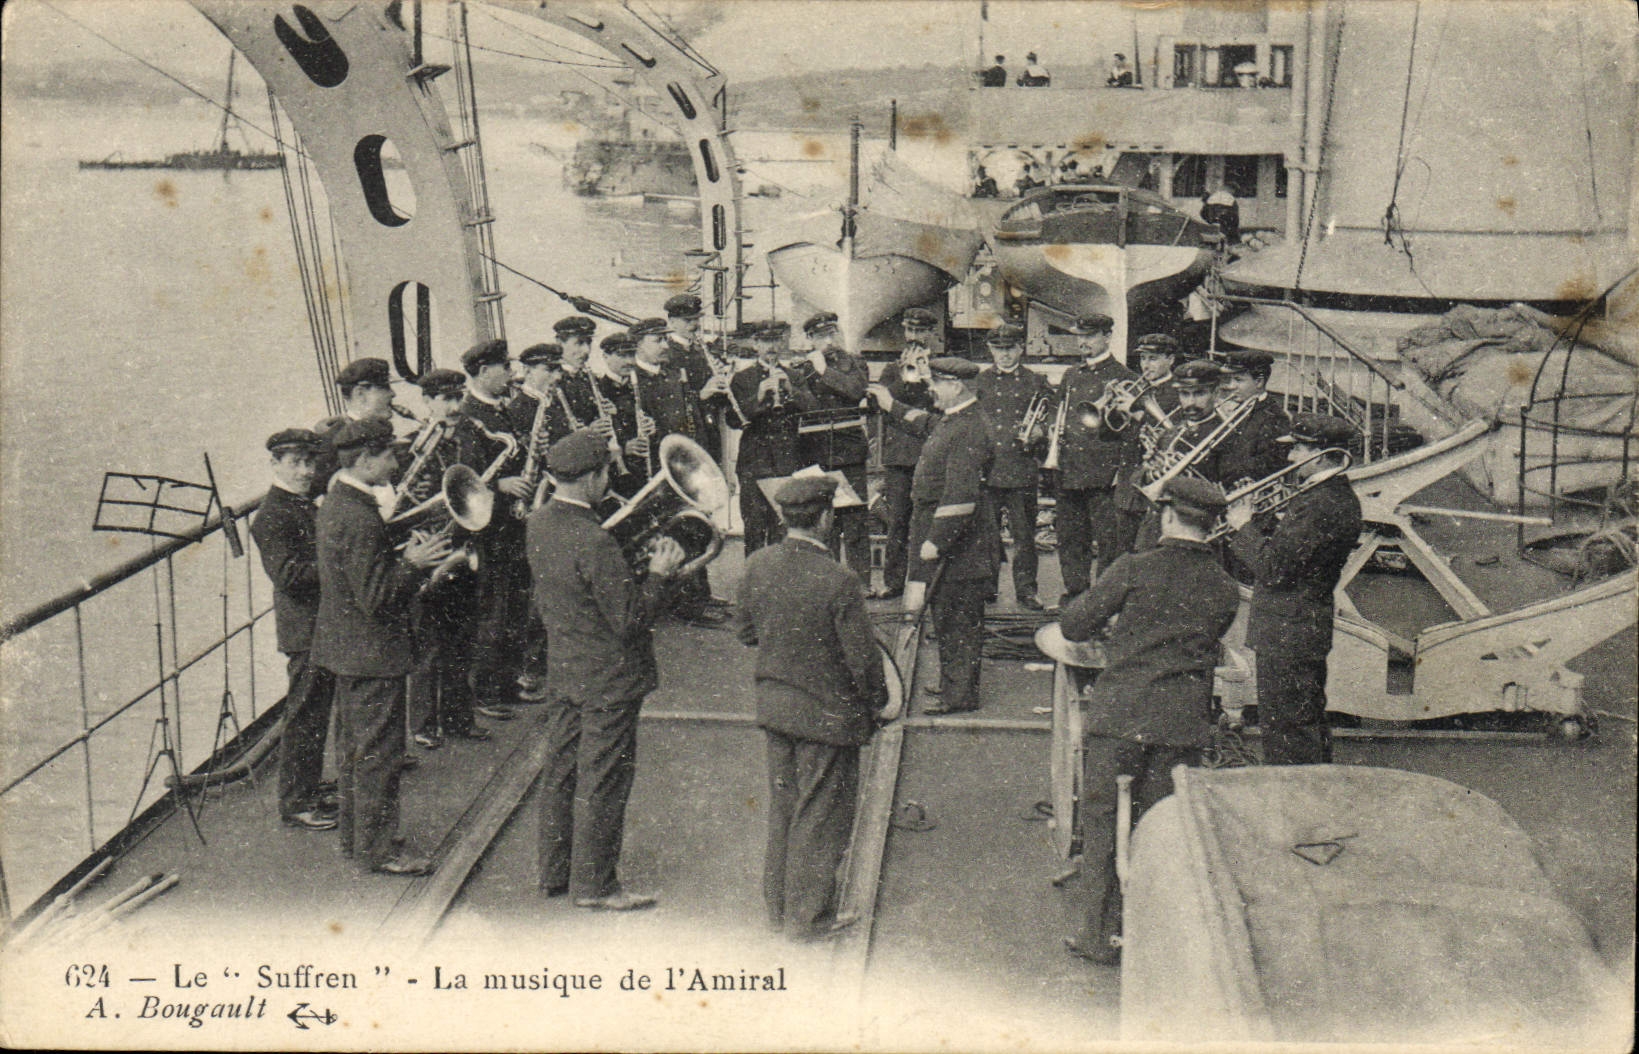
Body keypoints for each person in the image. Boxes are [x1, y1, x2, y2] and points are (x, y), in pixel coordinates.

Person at [1058, 476, 1240, 965]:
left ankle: (1097, 935)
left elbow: (1074, 624)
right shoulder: (1225, 588)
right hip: (1180, 723)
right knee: (1159, 829)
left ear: (1165, 514)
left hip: (1121, 714)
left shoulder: (1134, 567)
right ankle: (1153, 936)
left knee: (1101, 824)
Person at [527, 429, 687, 910]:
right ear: (593, 476)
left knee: (561, 770)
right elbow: (631, 619)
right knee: (603, 778)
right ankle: (596, 886)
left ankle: (555, 872)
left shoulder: (538, 523)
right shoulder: (594, 539)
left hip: (567, 668)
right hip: (609, 677)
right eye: (606, 474)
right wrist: (659, 576)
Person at [736, 475, 888, 941]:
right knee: (821, 817)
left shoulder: (758, 564)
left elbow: (745, 631)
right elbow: (864, 662)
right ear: (825, 519)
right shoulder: (839, 580)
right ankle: (809, 918)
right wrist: (878, 704)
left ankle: (779, 909)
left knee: (785, 808)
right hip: (827, 716)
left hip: (777, 710)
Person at [313, 418, 460, 875]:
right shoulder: (359, 517)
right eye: (389, 456)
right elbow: (377, 596)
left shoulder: (340, 502)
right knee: (379, 756)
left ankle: (357, 840)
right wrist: (414, 563)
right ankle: (379, 851)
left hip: (346, 650)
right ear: (365, 461)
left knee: (355, 752)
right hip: (372, 654)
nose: (397, 464)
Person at [1227, 413, 1362, 766]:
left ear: (1319, 454)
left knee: (1288, 731)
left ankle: (1294, 803)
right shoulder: (1324, 496)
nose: (1289, 459)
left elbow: (1273, 569)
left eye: (1297, 449)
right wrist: (1259, 521)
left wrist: (1242, 527)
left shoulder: (1322, 502)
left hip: (1290, 629)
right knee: (1301, 724)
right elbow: (1289, 550)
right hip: (1298, 627)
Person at [870, 357, 998, 714]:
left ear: (955, 387)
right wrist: (891, 405)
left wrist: (935, 542)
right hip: (953, 540)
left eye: (936, 383)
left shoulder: (969, 428)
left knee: (958, 618)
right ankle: (952, 684)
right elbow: (926, 423)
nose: (930, 389)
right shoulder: (957, 420)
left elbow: (960, 496)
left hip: (960, 545)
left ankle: (960, 696)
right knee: (946, 614)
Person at [250, 427, 337, 831]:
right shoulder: (272, 515)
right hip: (305, 629)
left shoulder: (302, 505)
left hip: (320, 624)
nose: (305, 471)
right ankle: (296, 802)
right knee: (304, 714)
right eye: (295, 463)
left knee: (316, 711)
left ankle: (310, 787)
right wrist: (341, 567)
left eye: (310, 462)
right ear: (275, 464)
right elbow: (288, 574)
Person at [404, 368, 489, 750]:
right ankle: (423, 723)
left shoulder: (466, 440)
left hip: (462, 547)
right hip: (432, 555)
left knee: (461, 640)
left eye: (458, 398)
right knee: (429, 646)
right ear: (427, 402)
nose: (454, 406)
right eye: (445, 399)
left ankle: (458, 718)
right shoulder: (411, 448)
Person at [456, 339, 532, 723]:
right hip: (490, 528)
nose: (511, 374)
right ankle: (485, 689)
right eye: (505, 368)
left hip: (512, 526)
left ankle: (506, 682)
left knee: (515, 604)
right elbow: (466, 478)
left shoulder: (498, 409)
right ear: (484, 371)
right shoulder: (469, 415)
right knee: (492, 610)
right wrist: (501, 487)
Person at [1053, 313, 1138, 606]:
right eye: (1080, 336)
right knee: (1070, 537)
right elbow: (1060, 415)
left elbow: (1126, 431)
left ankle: (1102, 600)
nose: (1082, 342)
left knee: (1108, 543)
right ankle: (1076, 594)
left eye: (1089, 336)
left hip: (1103, 474)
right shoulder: (1071, 375)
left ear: (1106, 337)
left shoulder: (1125, 377)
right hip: (1069, 468)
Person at [974, 322, 1051, 609]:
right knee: (987, 535)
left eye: (1009, 349)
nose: (1004, 355)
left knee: (1024, 537)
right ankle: (987, 586)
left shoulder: (1035, 381)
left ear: (1020, 348)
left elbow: (1049, 418)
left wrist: (1040, 431)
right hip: (989, 468)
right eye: (998, 349)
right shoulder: (980, 382)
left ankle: (1027, 590)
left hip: (1021, 469)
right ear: (991, 350)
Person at [790, 311, 871, 574]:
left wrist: (825, 371)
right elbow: (807, 405)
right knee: (826, 523)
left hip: (850, 451)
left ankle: (862, 581)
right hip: (817, 451)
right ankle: (831, 578)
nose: (828, 341)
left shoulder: (855, 363)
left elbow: (856, 390)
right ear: (810, 339)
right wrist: (812, 371)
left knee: (856, 520)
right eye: (821, 336)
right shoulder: (801, 370)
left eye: (831, 334)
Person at [731, 320, 817, 556]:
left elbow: (812, 410)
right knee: (755, 530)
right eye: (765, 341)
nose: (772, 346)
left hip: (787, 462)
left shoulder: (794, 375)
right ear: (755, 343)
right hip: (753, 464)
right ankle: (754, 586)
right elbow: (733, 419)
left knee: (783, 530)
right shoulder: (742, 378)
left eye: (776, 340)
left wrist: (791, 391)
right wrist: (759, 396)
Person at [872, 308, 941, 599]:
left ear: (929, 335)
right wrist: (905, 375)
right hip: (900, 457)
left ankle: (926, 581)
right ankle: (894, 581)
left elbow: (944, 407)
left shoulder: (940, 370)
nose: (914, 338)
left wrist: (926, 377)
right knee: (898, 520)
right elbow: (884, 407)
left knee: (929, 521)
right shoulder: (891, 369)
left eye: (921, 332)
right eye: (910, 332)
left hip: (930, 453)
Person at [1112, 334, 1183, 554]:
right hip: (1128, 482)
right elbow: (1113, 434)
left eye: (1153, 358)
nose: (1145, 365)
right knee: (1122, 552)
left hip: (1157, 482)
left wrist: (1137, 416)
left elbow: (1173, 434)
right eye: (1143, 359)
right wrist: (1110, 410)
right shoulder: (1136, 388)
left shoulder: (1179, 392)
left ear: (1170, 360)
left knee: (1150, 552)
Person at [1211, 350, 1289, 493]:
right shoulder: (1240, 410)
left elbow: (1268, 464)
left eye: (1239, 380)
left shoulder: (1274, 416)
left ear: (1259, 381)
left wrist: (1220, 469)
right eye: (1231, 379)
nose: (1231, 386)